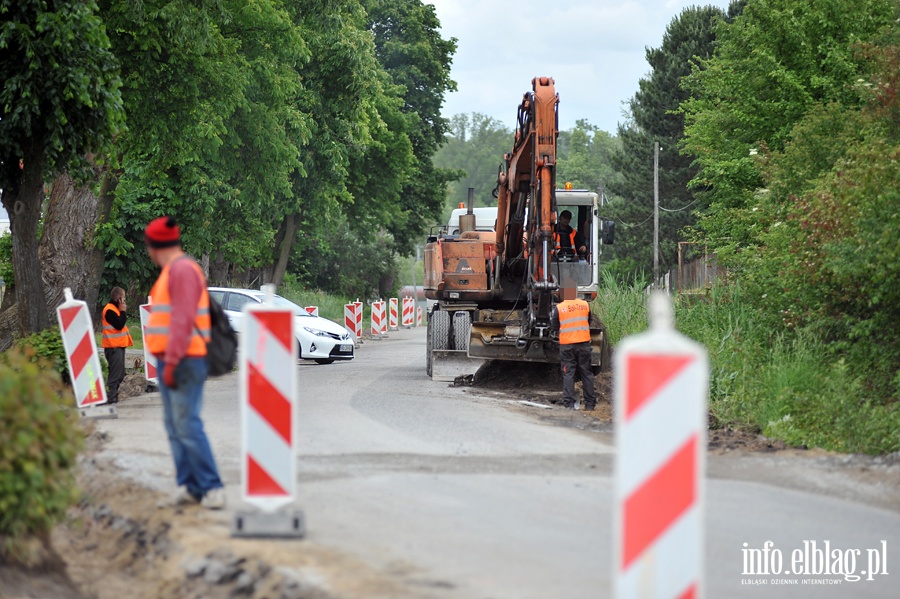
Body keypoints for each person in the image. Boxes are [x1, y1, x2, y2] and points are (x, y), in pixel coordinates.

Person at [144, 216, 225, 510]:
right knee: (175, 424)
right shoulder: (173, 270)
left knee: (187, 423)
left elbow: (182, 318)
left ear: (154, 246)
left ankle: (212, 486)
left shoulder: (182, 270)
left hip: (184, 359)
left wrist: (174, 360)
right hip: (175, 358)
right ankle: (190, 486)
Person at [551, 278, 596, 410]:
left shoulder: (559, 308)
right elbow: (589, 321)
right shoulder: (585, 305)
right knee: (586, 373)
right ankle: (590, 404)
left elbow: (554, 327)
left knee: (568, 373)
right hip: (584, 344)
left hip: (567, 346)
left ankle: (569, 404)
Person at [101, 286, 134, 404]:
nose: (125, 301)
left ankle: (112, 396)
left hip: (117, 346)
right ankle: (110, 398)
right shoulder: (110, 310)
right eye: (124, 298)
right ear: (119, 299)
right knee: (115, 375)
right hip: (113, 347)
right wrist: (123, 311)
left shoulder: (114, 309)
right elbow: (119, 324)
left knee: (119, 374)